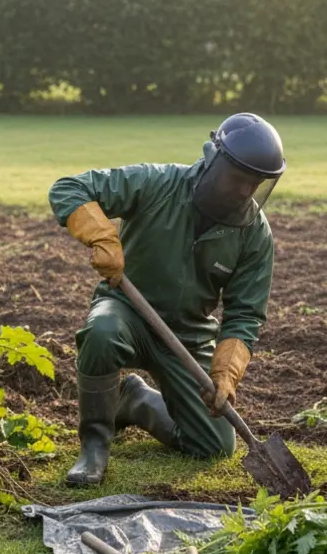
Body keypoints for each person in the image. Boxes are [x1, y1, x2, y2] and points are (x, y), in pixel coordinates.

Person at [48, 113, 285, 486]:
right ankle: (94, 446)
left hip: (188, 334)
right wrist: (101, 236)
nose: (245, 191)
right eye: (238, 178)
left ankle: (135, 401)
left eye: (254, 183)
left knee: (213, 446)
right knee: (101, 331)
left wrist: (226, 372)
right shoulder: (156, 183)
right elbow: (69, 188)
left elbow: (246, 314)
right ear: (213, 160)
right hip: (126, 311)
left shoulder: (254, 233)